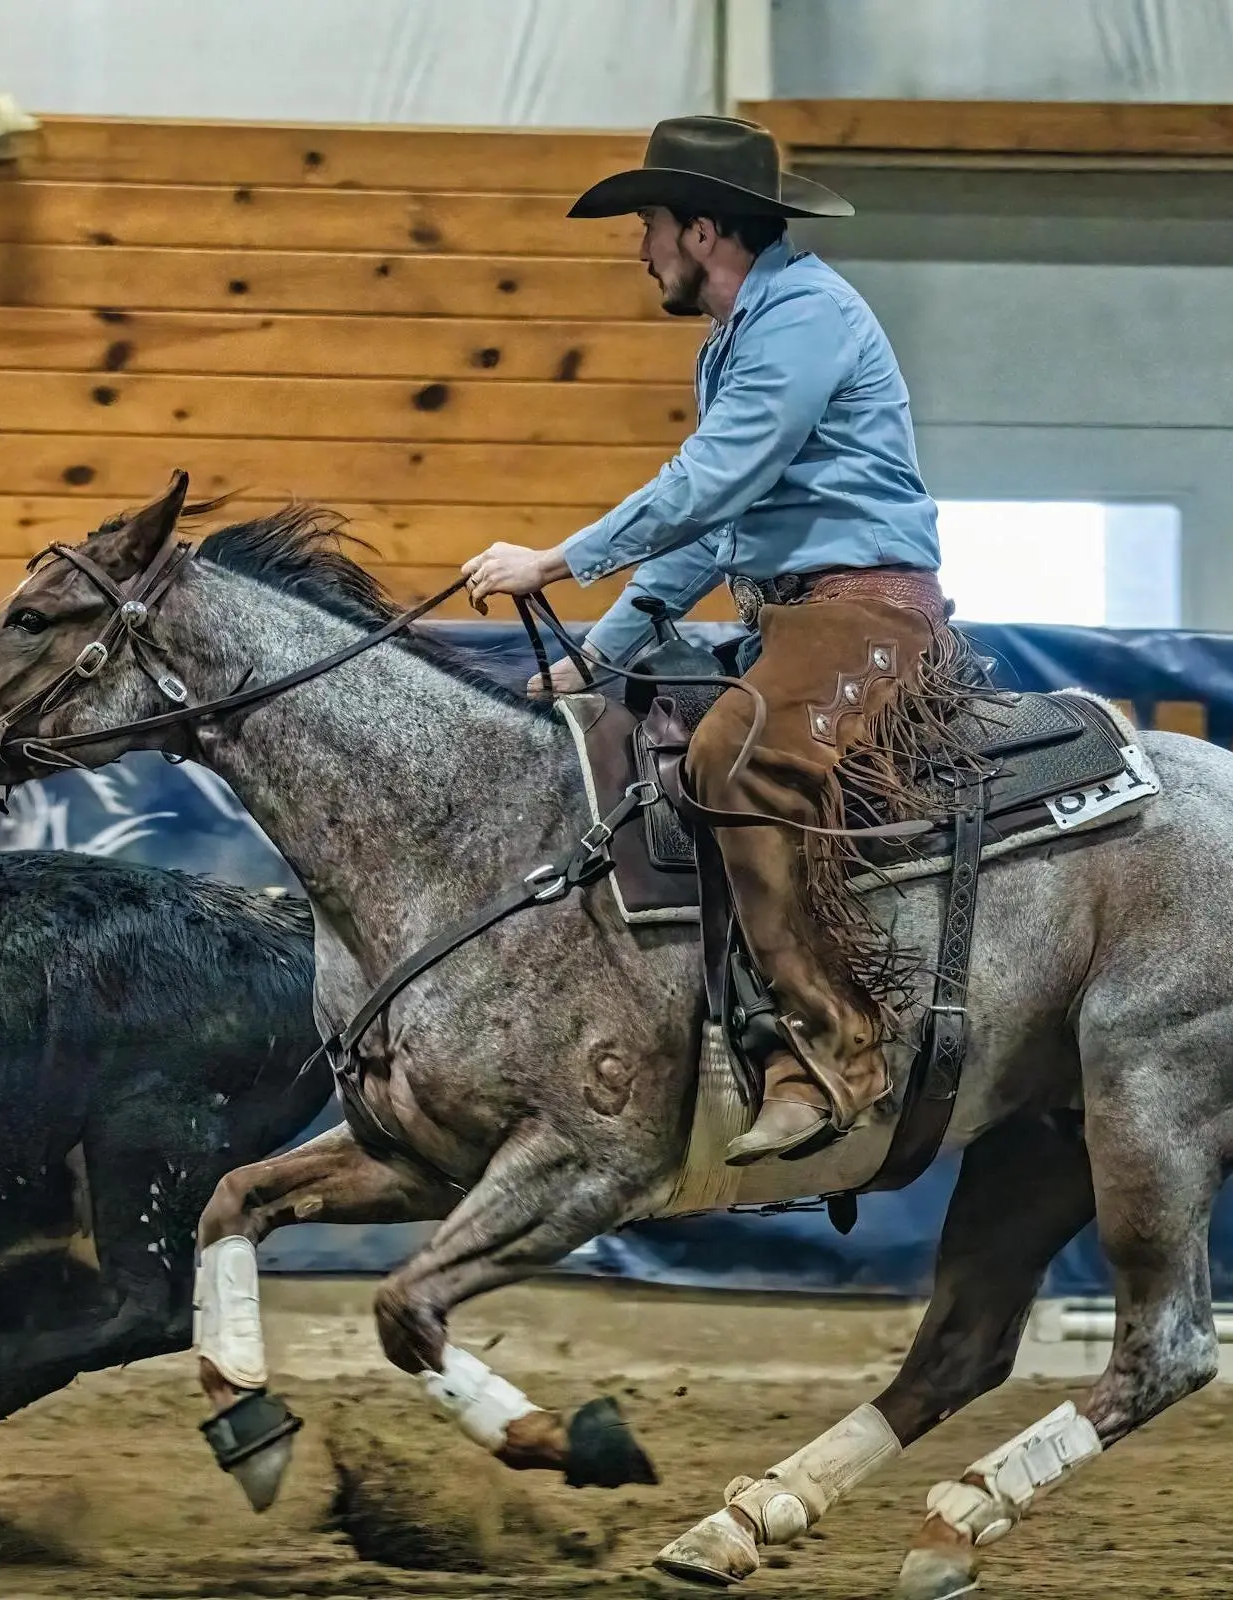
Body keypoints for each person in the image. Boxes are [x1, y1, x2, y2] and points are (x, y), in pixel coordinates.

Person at [461, 115, 970, 1165]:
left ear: (701, 230)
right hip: (792, 614)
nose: (638, 247)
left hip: (865, 613)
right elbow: (716, 529)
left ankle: (836, 1054)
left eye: (648, 224)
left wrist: (555, 560)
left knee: (733, 757)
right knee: (641, 753)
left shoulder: (803, 319)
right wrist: (600, 655)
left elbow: (713, 481)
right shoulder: (744, 339)